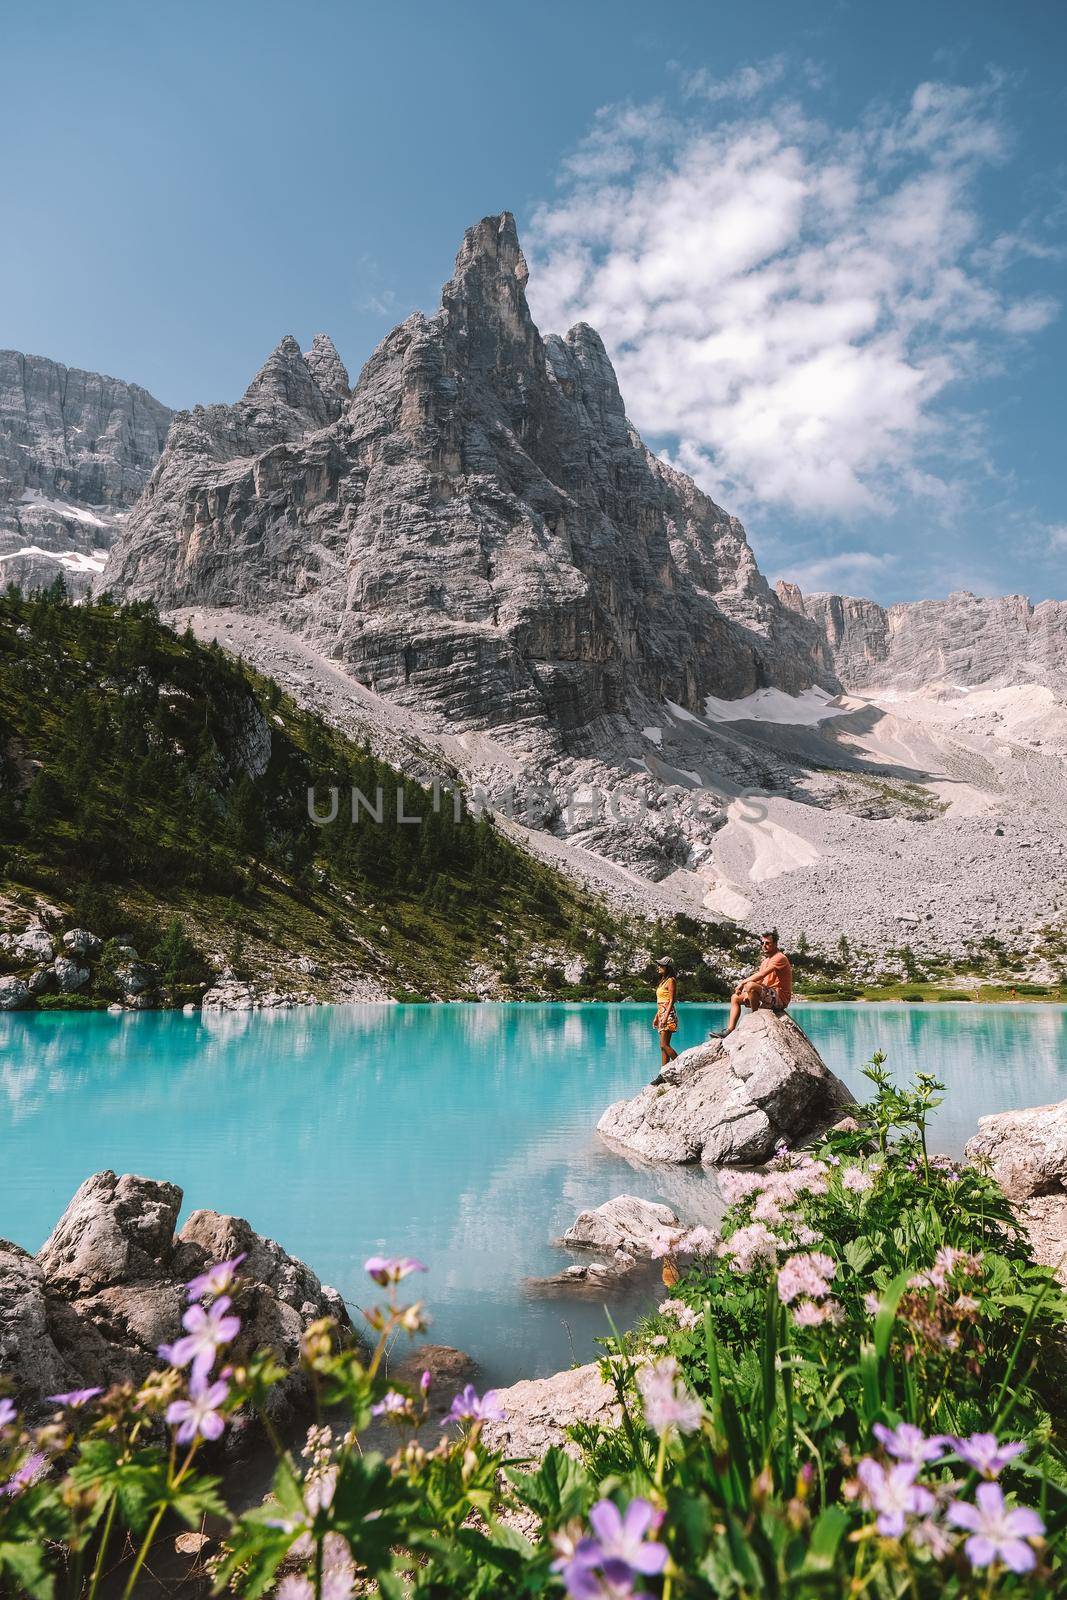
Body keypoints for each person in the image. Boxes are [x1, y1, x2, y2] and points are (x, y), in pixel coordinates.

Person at [723, 930, 792, 1035]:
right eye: (762, 943)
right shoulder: (765, 961)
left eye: (767, 943)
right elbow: (760, 981)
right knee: (735, 998)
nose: (764, 945)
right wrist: (749, 995)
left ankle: (755, 1019)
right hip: (768, 995)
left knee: (750, 985)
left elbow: (761, 975)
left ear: (775, 944)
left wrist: (742, 984)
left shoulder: (779, 957)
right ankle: (729, 1030)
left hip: (779, 997)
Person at [652, 956, 679, 1066]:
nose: (658, 967)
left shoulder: (671, 981)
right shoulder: (662, 981)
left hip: (668, 1015)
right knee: (663, 1046)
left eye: (661, 965)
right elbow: (661, 1002)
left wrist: (665, 1017)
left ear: (667, 967)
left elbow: (671, 1000)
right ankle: (663, 1073)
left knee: (664, 1045)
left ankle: (680, 1064)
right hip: (662, 1014)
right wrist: (657, 1016)